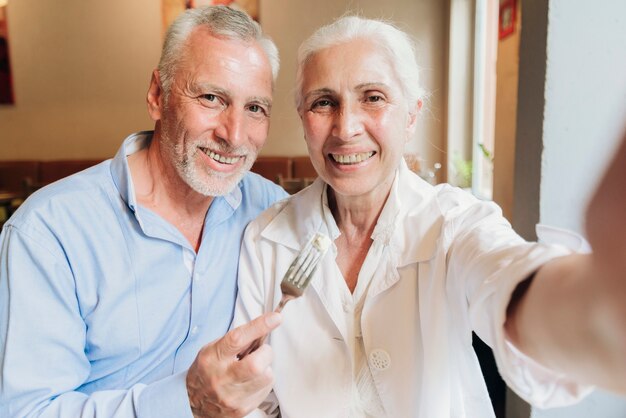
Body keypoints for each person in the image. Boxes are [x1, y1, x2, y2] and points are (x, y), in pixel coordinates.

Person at [233, 15, 626, 417]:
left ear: (411, 115)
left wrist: (596, 307)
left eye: (373, 97)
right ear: (303, 118)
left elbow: (504, 274)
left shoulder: (453, 223)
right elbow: (254, 403)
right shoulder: (264, 240)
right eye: (324, 102)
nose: (346, 127)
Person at [0, 6, 288, 418]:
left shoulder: (272, 210)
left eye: (255, 108)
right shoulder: (47, 234)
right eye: (211, 97)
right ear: (157, 95)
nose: (234, 135)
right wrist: (185, 399)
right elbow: (26, 412)